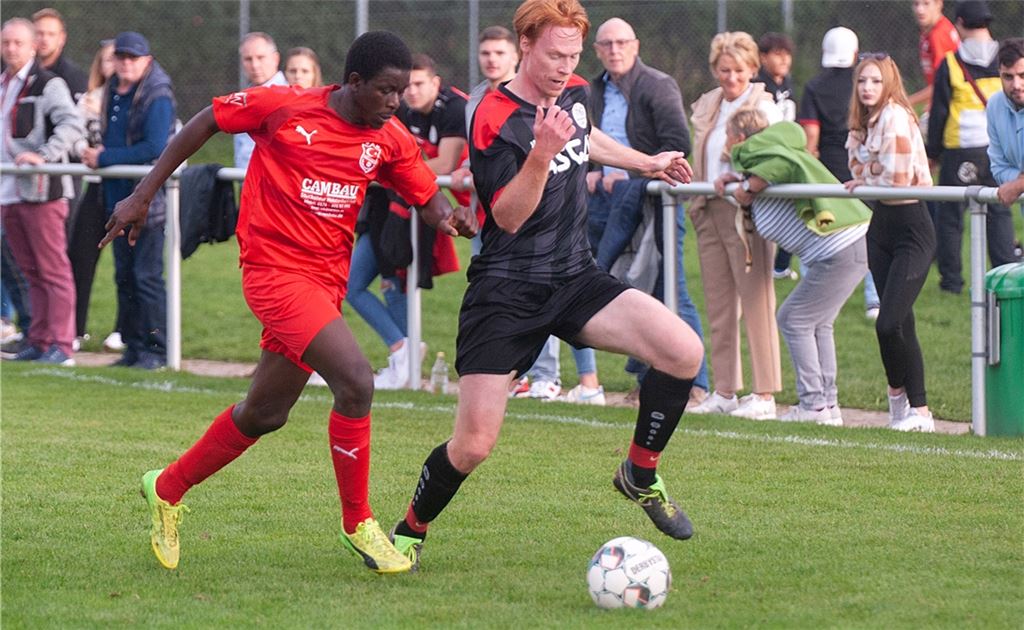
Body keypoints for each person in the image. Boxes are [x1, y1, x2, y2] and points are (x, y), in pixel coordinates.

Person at [101, 31, 474, 574]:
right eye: (386, 90)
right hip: (273, 274)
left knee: (265, 413)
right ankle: (358, 523)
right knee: (356, 381)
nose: (396, 102)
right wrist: (143, 193)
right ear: (354, 83)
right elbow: (206, 120)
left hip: (324, 284)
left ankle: (167, 486)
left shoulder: (388, 138)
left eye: (403, 91)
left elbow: (425, 195)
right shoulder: (284, 107)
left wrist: (449, 218)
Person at [387, 0, 701, 571]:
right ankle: (410, 530)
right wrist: (541, 152)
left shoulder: (575, 92)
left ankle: (639, 473)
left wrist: (645, 161)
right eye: (555, 55)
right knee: (473, 446)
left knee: (682, 351)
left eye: (574, 55)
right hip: (507, 290)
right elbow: (506, 216)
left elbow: (585, 139)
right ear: (525, 45)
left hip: (574, 276)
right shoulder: (492, 116)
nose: (565, 67)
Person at [716, 111, 870, 425]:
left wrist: (751, 184)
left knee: (793, 318)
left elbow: (782, 166)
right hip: (841, 249)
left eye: (728, 137)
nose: (726, 144)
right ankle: (827, 406)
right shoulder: (768, 161)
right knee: (818, 323)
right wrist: (741, 182)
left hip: (841, 248)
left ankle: (813, 405)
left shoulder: (773, 158)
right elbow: (771, 174)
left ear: (740, 139)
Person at [585, 16, 708, 407]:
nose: (614, 50)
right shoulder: (591, 90)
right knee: (627, 289)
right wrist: (592, 172)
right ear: (597, 50)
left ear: (635, 46)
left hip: (654, 198)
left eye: (622, 42)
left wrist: (629, 174)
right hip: (605, 202)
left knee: (670, 287)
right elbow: (583, 141)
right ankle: (647, 382)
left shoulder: (657, 84)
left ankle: (696, 383)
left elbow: (677, 143)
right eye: (607, 44)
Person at [349, 53, 467, 390]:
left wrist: (393, 173)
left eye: (418, 84)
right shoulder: (397, 107)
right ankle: (404, 349)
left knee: (394, 278)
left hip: (434, 209)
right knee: (357, 284)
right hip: (386, 207)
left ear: (435, 83)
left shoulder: (454, 108)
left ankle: (405, 353)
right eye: (406, 86)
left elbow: (445, 164)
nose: (410, 92)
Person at [686, 31, 783, 420]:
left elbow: (776, 158)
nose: (731, 78)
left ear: (753, 69)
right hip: (707, 207)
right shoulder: (708, 103)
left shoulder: (765, 106)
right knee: (719, 305)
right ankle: (725, 390)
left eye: (739, 70)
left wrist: (747, 186)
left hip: (747, 212)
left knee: (757, 301)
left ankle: (764, 394)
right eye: (724, 70)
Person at [846, 54, 936, 432]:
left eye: (876, 81)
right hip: (881, 226)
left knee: (888, 322)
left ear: (889, 85)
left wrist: (869, 174)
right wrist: (872, 171)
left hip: (912, 227)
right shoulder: (863, 121)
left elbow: (897, 179)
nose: (867, 88)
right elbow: (854, 168)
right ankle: (914, 408)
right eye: (862, 81)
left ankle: (905, 398)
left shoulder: (896, 116)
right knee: (900, 324)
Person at [80, 31, 174, 370]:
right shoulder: (112, 89)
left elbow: (154, 148)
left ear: (147, 60)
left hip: (147, 203)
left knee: (146, 277)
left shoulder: (157, 93)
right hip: (117, 199)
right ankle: (133, 347)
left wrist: (104, 158)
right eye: (121, 56)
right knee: (125, 277)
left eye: (133, 57)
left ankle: (157, 349)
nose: (126, 63)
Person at [0, 18, 84, 366]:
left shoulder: (48, 83)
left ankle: (62, 345)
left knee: (53, 270)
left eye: (18, 42)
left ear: (33, 46)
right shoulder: (4, 83)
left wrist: (45, 156)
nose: (11, 49)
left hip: (42, 191)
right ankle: (38, 339)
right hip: (9, 191)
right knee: (30, 270)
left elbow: (72, 124)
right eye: (6, 42)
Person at [927, 0, 1019, 294]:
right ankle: (1005, 273)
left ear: (959, 24)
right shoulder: (1008, 61)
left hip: (960, 148)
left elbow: (939, 112)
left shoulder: (951, 63)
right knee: (1000, 210)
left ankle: (951, 282)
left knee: (950, 216)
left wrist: (932, 152)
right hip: (997, 148)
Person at [799, 26, 881, 320]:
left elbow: (810, 136)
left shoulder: (813, 87)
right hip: (863, 168)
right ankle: (874, 300)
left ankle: (816, 295)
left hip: (827, 170)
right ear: (855, 53)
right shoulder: (866, 84)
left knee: (819, 230)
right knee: (870, 232)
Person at [67, 39, 120, 350]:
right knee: (80, 255)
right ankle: (75, 329)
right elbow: (73, 135)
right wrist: (85, 152)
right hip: (96, 186)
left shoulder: (142, 99)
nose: (114, 65)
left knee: (129, 264)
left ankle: (125, 331)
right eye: (108, 59)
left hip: (128, 188)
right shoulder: (89, 99)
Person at [754, 32, 800, 281]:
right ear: (763, 57)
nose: (784, 60)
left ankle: (780, 265)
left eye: (787, 54)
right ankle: (769, 264)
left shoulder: (787, 83)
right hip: (768, 157)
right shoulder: (758, 86)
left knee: (795, 207)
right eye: (778, 54)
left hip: (789, 153)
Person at [233, 32, 288, 170]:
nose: (255, 65)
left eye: (260, 57)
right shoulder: (242, 98)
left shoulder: (289, 96)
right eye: (248, 59)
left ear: (275, 58)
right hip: (244, 178)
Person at [987, 38, 1024, 208]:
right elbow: (998, 167)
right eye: (1008, 77)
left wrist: (1019, 185)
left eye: (1023, 75)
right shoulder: (995, 105)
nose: (1016, 85)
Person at [909, 0, 960, 110]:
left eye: (926, 3)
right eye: (916, 4)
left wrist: (907, 101)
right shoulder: (930, 32)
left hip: (952, 107)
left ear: (939, 4)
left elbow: (943, 83)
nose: (920, 10)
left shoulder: (938, 35)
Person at [31, 8, 87, 102]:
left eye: (51, 34)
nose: (45, 39)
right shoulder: (21, 72)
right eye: (39, 33)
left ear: (62, 38)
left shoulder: (74, 77)